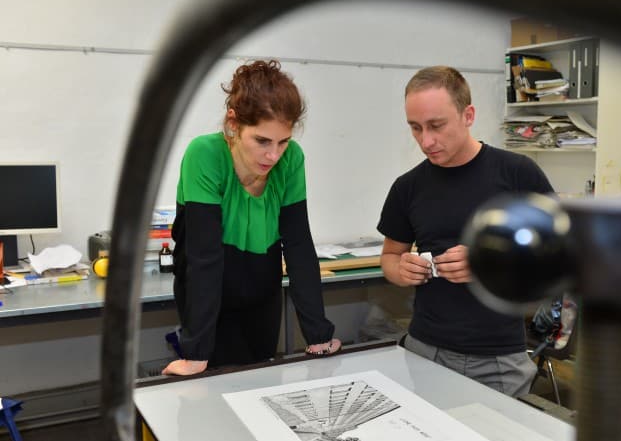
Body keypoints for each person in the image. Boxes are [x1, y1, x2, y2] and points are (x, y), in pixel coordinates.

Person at [377, 66, 554, 397]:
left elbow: (559, 254)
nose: (426, 140)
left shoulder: (517, 174)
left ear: (468, 114)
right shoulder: (407, 188)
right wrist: (401, 270)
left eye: (436, 125)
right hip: (425, 351)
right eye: (415, 128)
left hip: (498, 357)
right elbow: (390, 256)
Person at [163, 60, 341, 376]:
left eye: (282, 142)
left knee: (259, 380)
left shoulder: (292, 160)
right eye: (262, 141)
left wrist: (318, 334)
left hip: (262, 283)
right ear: (234, 124)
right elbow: (203, 258)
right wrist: (196, 351)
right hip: (207, 287)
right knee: (213, 389)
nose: (273, 155)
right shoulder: (204, 154)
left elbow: (298, 246)